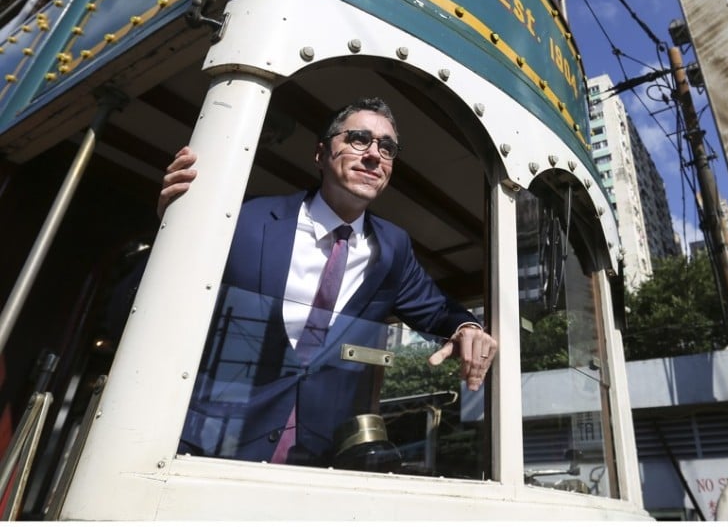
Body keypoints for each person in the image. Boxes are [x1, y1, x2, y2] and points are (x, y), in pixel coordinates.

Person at [158, 97, 497, 466]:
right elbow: (143, 306)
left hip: (321, 459)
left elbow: (437, 310)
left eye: (387, 147)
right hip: (210, 445)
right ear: (321, 154)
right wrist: (171, 231)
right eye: (359, 139)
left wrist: (467, 327)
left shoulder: (393, 246)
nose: (374, 155)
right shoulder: (246, 220)